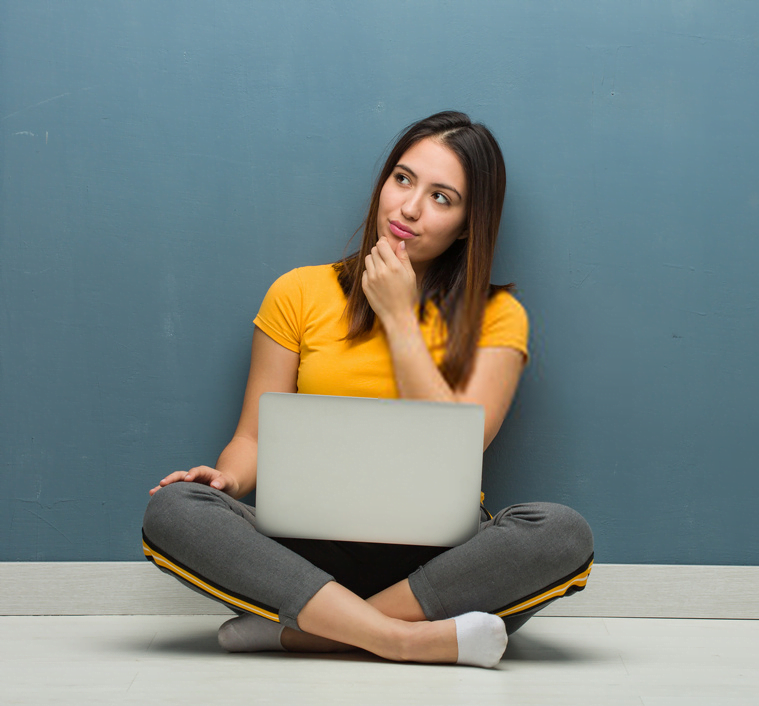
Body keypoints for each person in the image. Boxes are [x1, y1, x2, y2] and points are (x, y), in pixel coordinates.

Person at [142, 111, 593, 668]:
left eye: (441, 197)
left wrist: (401, 318)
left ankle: (309, 631)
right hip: (305, 551)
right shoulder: (299, 291)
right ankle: (401, 639)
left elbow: (455, 448)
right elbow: (252, 440)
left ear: (468, 224)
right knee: (174, 509)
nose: (408, 208)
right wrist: (227, 477)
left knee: (562, 535)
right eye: (402, 179)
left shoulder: (497, 316)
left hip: (437, 561)